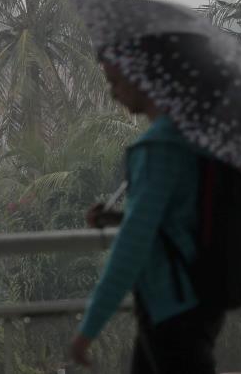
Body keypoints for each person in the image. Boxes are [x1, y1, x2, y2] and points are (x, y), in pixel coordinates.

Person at [69, 61, 224, 373]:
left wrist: (88, 329)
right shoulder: (189, 136)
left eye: (115, 82)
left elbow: (131, 248)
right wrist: (116, 219)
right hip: (197, 299)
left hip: (174, 308)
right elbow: (170, 220)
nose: (113, 95)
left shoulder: (157, 148)